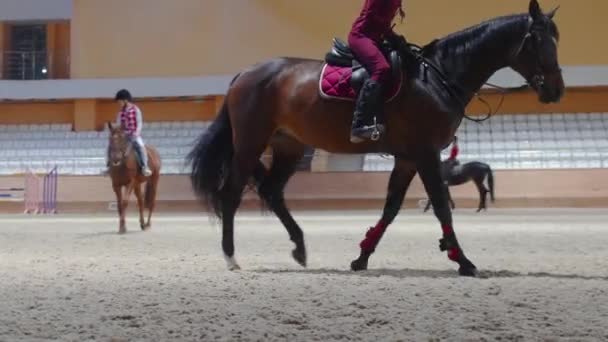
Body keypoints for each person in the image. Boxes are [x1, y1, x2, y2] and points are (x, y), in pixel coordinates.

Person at [348, 0, 405, 143]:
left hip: (376, 38)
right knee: (381, 68)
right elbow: (372, 17)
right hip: (361, 36)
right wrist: (389, 34)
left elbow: (384, 24)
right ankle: (358, 125)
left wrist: (395, 38)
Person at [111, 89, 152, 177]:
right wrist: (118, 133)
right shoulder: (120, 112)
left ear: (125, 100)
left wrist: (137, 132)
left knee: (141, 147)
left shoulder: (136, 110)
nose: (119, 104)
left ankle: (145, 167)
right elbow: (118, 124)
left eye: (119, 101)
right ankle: (109, 166)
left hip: (134, 135)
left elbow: (139, 122)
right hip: (124, 136)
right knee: (112, 147)